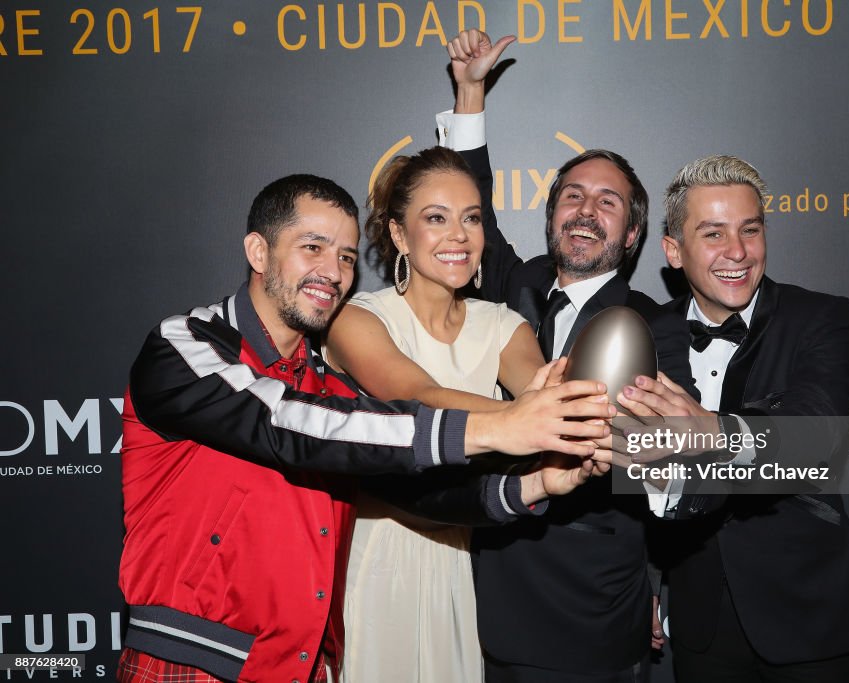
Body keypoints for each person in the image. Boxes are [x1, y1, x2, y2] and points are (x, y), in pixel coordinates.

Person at [117, 174, 615, 683]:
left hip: (304, 664)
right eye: (313, 247)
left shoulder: (327, 386)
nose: (332, 272)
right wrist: (501, 425)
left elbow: (412, 492)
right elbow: (287, 423)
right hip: (197, 660)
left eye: (347, 258)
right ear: (258, 252)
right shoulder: (184, 345)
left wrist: (535, 483)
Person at [437, 30, 697, 682]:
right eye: (573, 196)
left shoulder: (659, 327)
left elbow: (675, 465)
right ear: (552, 214)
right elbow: (476, 213)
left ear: (633, 234)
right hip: (490, 597)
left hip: (594, 613)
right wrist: (470, 93)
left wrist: (657, 580)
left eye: (607, 203)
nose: (586, 210)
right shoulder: (512, 284)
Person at [324, 147, 601, 682]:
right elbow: (419, 394)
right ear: (400, 235)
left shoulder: (502, 325)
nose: (459, 234)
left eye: (471, 218)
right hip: (372, 563)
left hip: (458, 566)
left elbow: (548, 399)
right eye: (436, 218)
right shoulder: (357, 319)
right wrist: (524, 417)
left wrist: (582, 406)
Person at [612, 155, 849, 682]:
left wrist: (712, 430)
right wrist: (644, 582)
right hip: (701, 621)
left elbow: (817, 430)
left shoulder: (824, 318)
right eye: (713, 233)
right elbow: (637, 475)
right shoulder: (647, 333)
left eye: (750, 230)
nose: (737, 252)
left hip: (811, 615)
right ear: (673, 250)